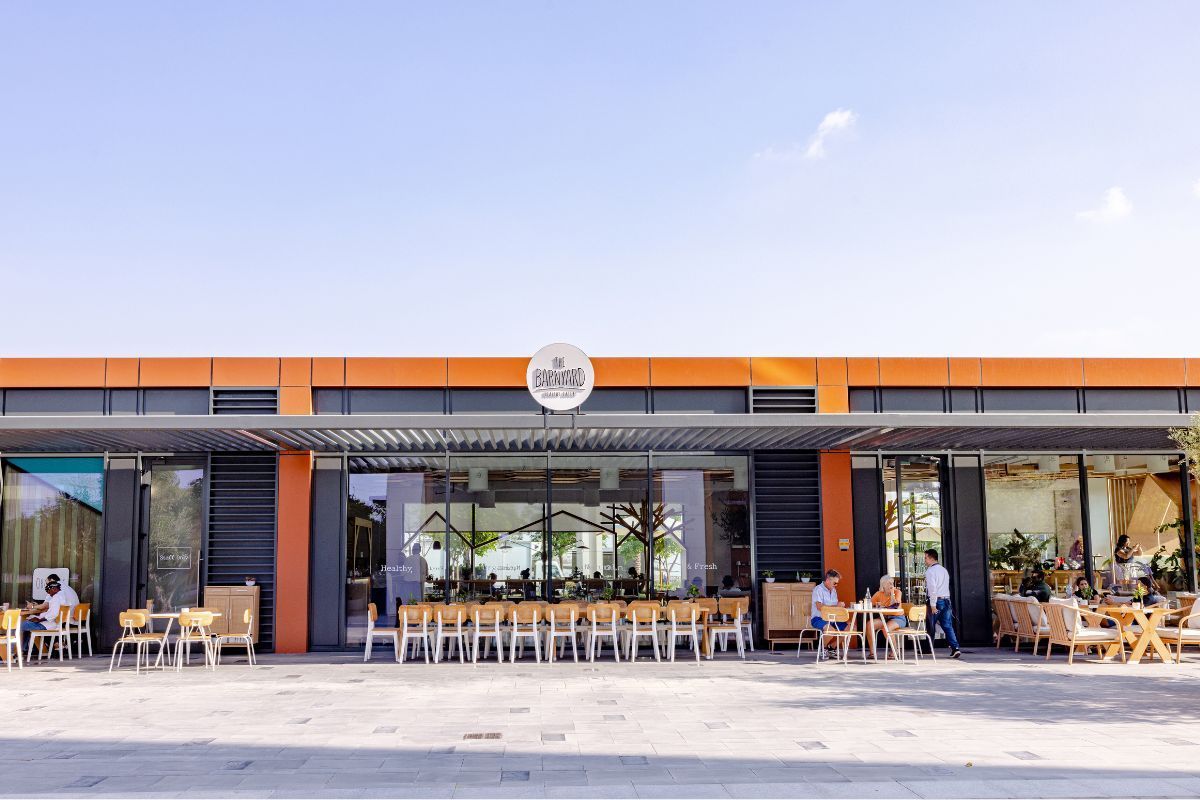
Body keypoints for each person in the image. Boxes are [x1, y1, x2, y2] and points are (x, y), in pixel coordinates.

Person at [924, 549, 961, 658]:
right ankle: (955, 648)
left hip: (936, 601)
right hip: (946, 600)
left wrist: (933, 604)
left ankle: (929, 648)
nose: (925, 560)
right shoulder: (944, 570)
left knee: (930, 625)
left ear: (931, 558)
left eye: (926, 558)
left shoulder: (930, 571)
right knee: (947, 625)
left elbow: (932, 589)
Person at [866, 575, 907, 656]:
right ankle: (872, 653)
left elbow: (895, 606)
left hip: (898, 618)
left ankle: (895, 651)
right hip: (884, 617)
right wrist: (876, 606)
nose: (892, 585)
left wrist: (892, 594)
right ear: (883, 585)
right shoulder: (879, 594)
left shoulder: (897, 592)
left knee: (886, 628)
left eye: (892, 583)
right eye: (889, 583)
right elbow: (868, 604)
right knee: (869, 624)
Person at [810, 570, 846, 659]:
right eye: (835, 583)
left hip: (832, 618)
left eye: (837, 583)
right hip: (818, 618)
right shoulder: (818, 589)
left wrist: (840, 607)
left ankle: (832, 647)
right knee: (830, 630)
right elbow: (819, 607)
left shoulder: (833, 591)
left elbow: (835, 607)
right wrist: (836, 606)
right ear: (828, 580)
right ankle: (823, 649)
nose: (836, 585)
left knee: (851, 628)